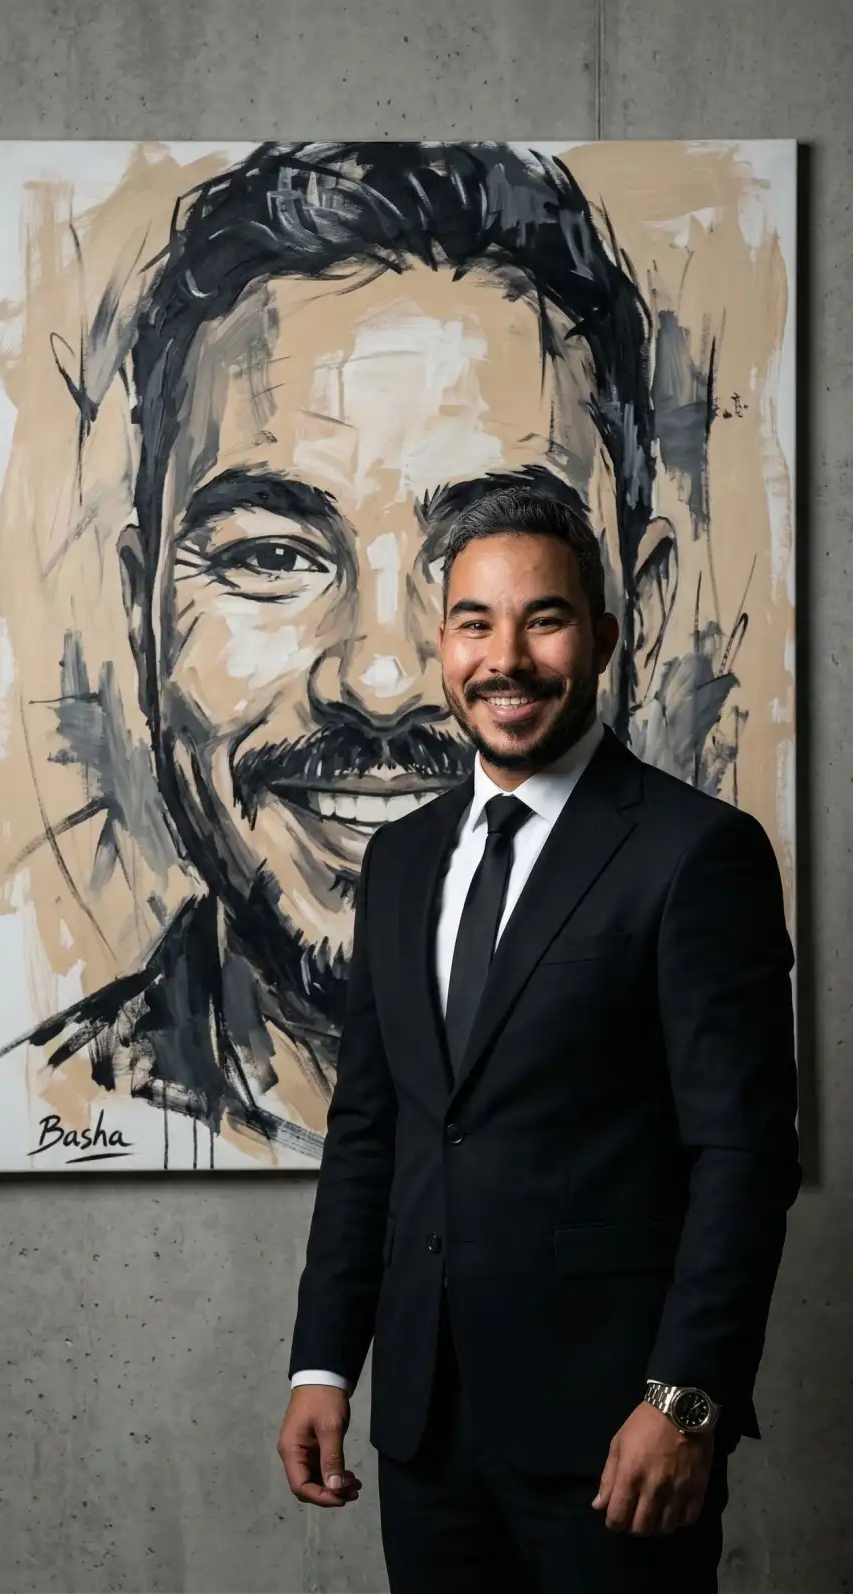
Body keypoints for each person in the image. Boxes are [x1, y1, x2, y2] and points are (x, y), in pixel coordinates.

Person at [15, 142, 702, 1165]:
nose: (382, 679)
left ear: (629, 618)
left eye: (492, 561)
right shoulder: (53, 1105)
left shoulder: (706, 1094)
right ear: (141, 613)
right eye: (272, 555)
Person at [278, 486, 801, 1589]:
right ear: (443, 643)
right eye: (475, 622)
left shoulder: (695, 853)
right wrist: (325, 1361)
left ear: (606, 637)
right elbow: (373, 1129)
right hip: (424, 1430)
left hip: (617, 1434)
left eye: (544, 619)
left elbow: (743, 1160)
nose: (504, 657)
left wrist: (684, 1401)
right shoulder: (403, 861)